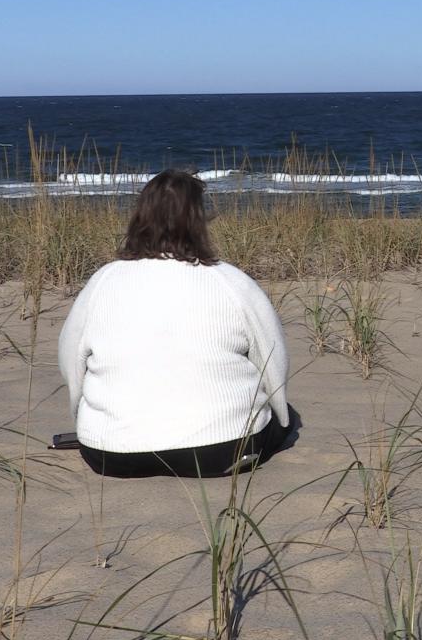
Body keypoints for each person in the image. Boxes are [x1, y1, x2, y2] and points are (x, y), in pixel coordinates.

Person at [57, 169, 294, 478]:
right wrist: (281, 419)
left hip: (110, 453)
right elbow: (273, 362)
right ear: (198, 221)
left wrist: (83, 418)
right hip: (222, 449)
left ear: (139, 217)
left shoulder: (103, 280)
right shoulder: (230, 281)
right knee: (277, 425)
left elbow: (71, 362)